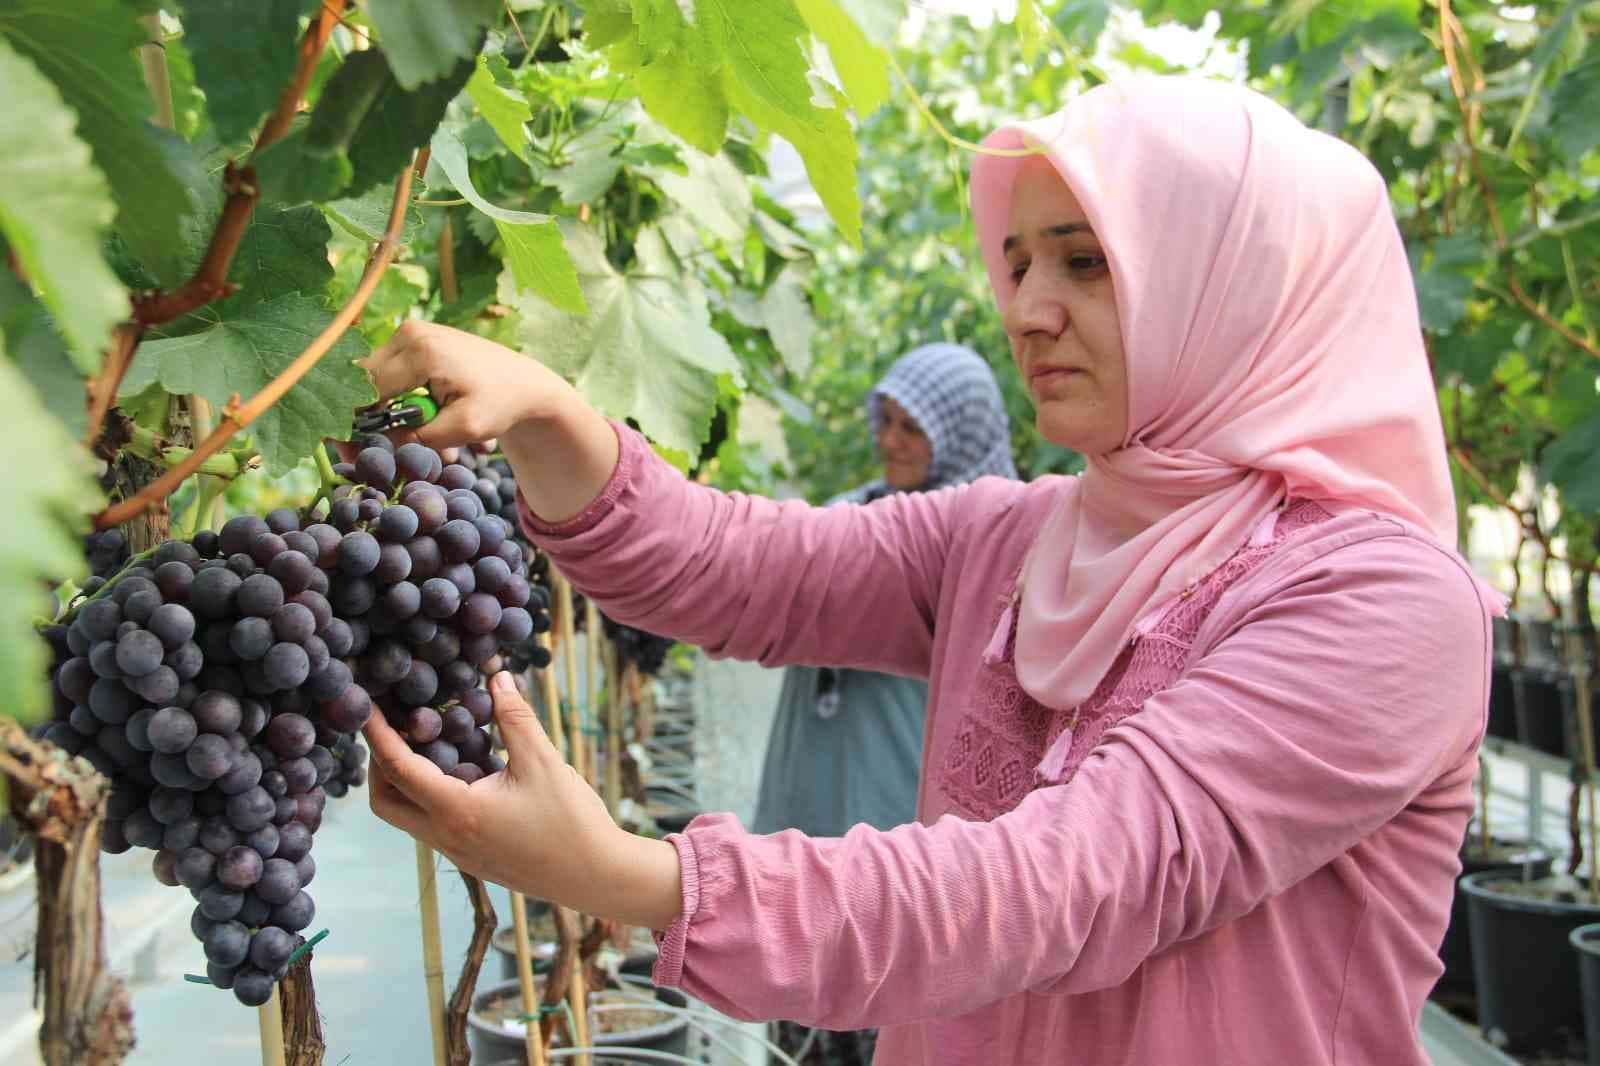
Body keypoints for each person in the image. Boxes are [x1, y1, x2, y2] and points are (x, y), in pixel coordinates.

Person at [361, 76, 1498, 1065]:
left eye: (1085, 262)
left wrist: (634, 877)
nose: (1028, 310)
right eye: (1017, 263)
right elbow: (734, 565)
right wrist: (549, 414)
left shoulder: (1384, 603)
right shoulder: (1012, 536)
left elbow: (1073, 883)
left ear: (1239, 282)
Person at [753, 344, 1017, 1065]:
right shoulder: (853, 520)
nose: (890, 441)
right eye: (887, 420)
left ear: (959, 432)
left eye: (913, 427)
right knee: (801, 1028)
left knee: (887, 1028)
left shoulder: (992, 556)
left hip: (900, 843)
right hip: (806, 818)